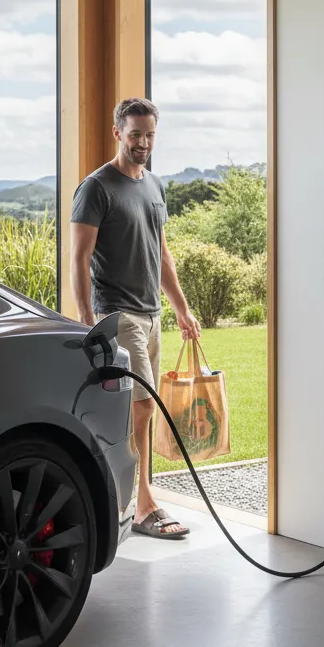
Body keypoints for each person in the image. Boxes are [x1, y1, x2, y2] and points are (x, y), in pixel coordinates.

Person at [70, 98, 201, 540]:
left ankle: (123, 499)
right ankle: (143, 506)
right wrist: (89, 323)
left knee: (139, 411)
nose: (143, 143)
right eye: (135, 135)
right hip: (118, 314)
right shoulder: (96, 188)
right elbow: (79, 259)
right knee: (142, 407)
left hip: (152, 314)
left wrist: (181, 307)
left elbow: (160, 253)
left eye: (149, 135)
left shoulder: (154, 186)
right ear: (117, 133)